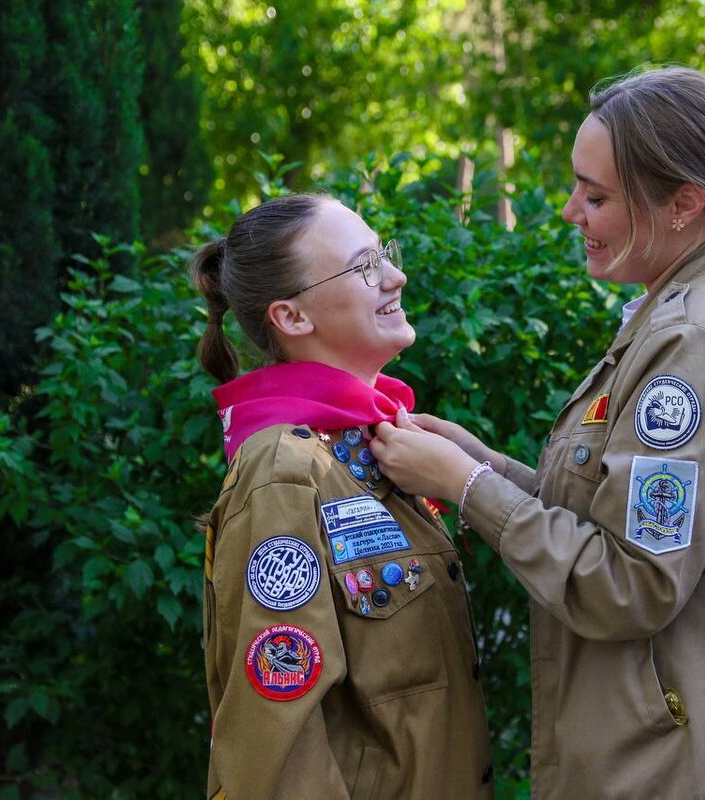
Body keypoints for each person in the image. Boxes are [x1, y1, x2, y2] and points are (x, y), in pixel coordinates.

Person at [372, 67, 705, 800]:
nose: (571, 211)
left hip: (692, 771)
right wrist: (484, 464)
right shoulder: (696, 302)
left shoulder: (694, 343)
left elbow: (631, 584)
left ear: (684, 204)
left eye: (596, 196)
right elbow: (619, 514)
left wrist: (465, 487)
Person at [189, 194, 494, 800]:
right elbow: (280, 747)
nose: (395, 276)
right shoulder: (284, 471)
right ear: (292, 317)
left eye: (384, 254)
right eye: (363, 267)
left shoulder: (373, 445)